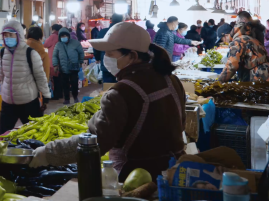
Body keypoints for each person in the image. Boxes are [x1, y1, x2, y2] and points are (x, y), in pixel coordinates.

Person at [29, 22, 186, 181]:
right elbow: (181, 124)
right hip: (177, 171)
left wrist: (49, 153)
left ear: (132, 56)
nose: (106, 59)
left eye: (111, 54)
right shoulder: (171, 80)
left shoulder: (121, 92)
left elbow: (94, 143)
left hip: (137, 178)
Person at [0, 20, 50, 134]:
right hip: (8, 103)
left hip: (28, 102)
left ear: (19, 35)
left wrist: (45, 95)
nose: (8, 37)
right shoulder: (2, 53)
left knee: (35, 135)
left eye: (11, 35)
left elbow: (40, 76)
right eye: (5, 35)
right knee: (3, 136)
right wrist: (4, 92)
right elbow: (2, 76)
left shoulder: (30, 53)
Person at [52, 28, 85, 105]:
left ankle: (75, 97)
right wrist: (55, 65)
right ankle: (66, 99)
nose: (64, 37)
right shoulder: (58, 45)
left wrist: (80, 61)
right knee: (65, 84)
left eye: (65, 35)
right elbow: (55, 56)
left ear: (68, 35)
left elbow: (81, 53)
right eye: (62, 36)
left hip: (74, 67)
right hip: (63, 68)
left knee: (74, 83)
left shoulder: (75, 43)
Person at [93, 14, 124, 84]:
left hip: (106, 64)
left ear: (110, 20)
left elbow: (96, 47)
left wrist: (98, 58)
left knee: (107, 88)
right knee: (121, 88)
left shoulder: (102, 32)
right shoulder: (125, 33)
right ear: (122, 21)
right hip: (121, 64)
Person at [26, 27, 50, 107]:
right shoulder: (42, 52)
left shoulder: (22, 47)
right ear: (40, 36)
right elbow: (45, 73)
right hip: (36, 88)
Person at [44, 24, 63, 99]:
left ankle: (56, 95)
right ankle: (61, 94)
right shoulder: (61, 36)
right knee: (60, 78)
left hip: (53, 59)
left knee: (55, 79)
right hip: (61, 59)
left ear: (53, 29)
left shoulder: (53, 36)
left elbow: (45, 44)